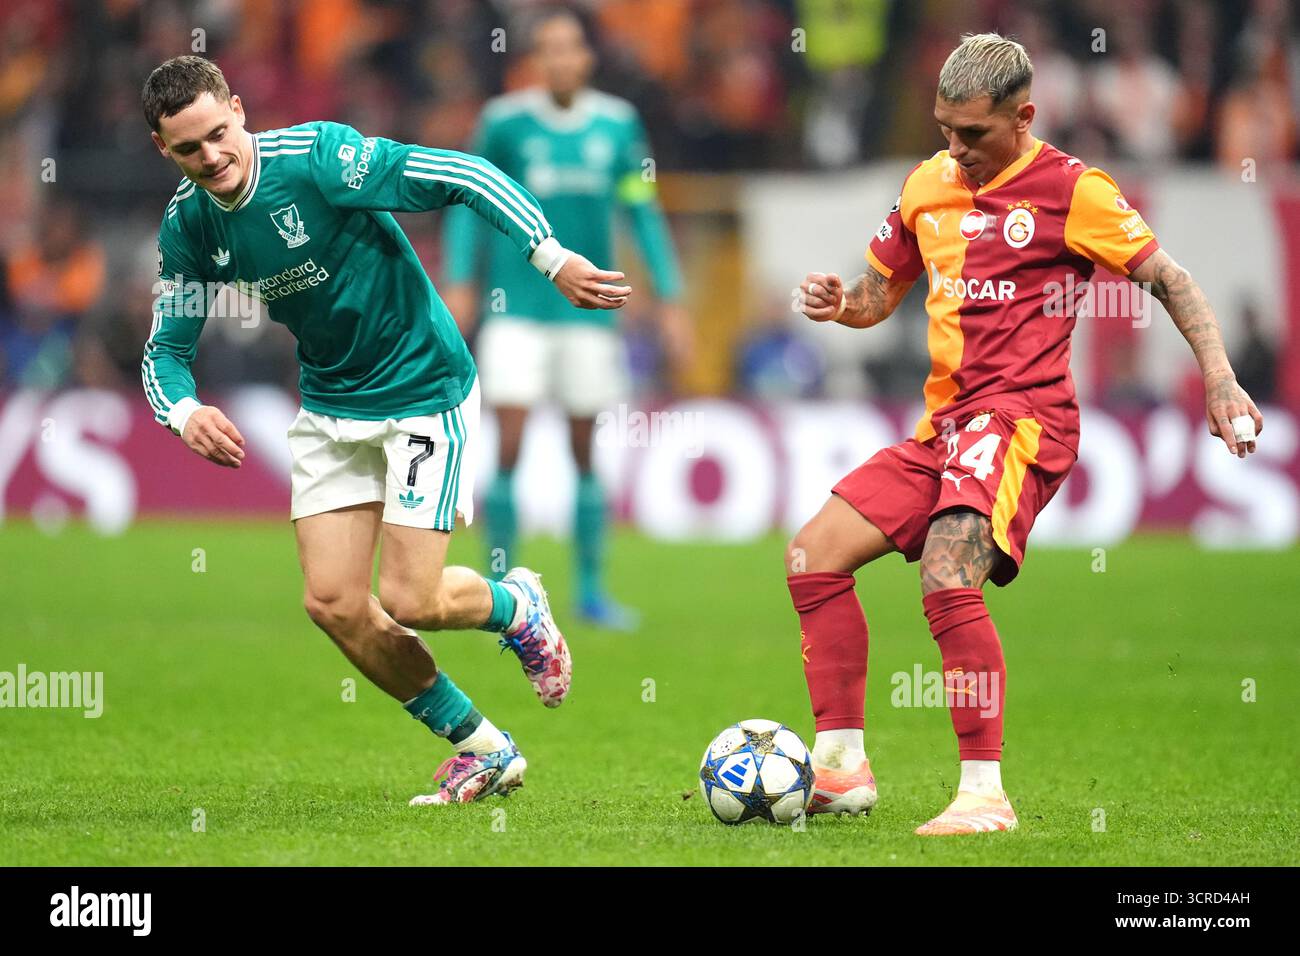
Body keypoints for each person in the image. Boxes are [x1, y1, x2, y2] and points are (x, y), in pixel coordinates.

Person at [793, 33, 1263, 836]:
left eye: (972, 134)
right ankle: (839, 769)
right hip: (943, 428)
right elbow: (882, 292)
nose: (955, 149)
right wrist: (845, 303)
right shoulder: (926, 185)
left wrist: (1219, 376)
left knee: (948, 574)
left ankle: (984, 794)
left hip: (1024, 422)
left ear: (1024, 117)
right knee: (814, 553)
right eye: (944, 129)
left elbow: (1169, 279)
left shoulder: (1074, 191)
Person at [141, 55, 632, 806]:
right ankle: (483, 748)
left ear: (238, 109)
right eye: (188, 149)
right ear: (163, 150)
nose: (211, 157)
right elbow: (165, 353)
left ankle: (516, 607)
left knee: (410, 597)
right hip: (332, 405)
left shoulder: (320, 159)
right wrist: (184, 412)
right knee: (333, 602)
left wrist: (551, 257)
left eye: (217, 134)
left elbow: (465, 176)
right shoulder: (187, 225)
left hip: (421, 389)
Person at [440, 8, 690, 631]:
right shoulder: (504, 123)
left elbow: (641, 207)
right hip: (515, 308)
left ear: (586, 57)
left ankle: (590, 591)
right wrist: (461, 281)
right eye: (547, 49)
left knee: (584, 451)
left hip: (590, 311)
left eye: (569, 48)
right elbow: (468, 202)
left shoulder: (617, 124)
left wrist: (671, 295)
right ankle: (502, 591)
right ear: (536, 59)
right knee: (511, 447)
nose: (559, 59)